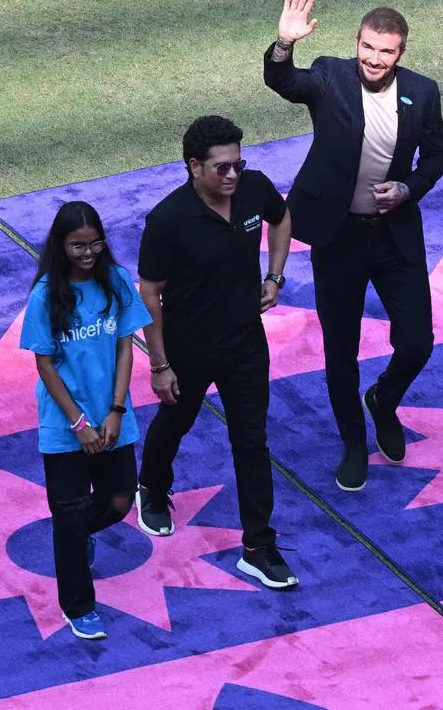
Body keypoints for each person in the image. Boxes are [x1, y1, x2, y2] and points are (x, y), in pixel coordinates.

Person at [263, 0, 443, 492]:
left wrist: (408, 188)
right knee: (340, 348)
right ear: (356, 42)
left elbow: (437, 157)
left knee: (417, 341)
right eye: (368, 47)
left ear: (401, 54)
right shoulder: (329, 75)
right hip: (338, 236)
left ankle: (383, 400)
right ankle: (352, 442)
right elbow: (281, 80)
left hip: (394, 238)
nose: (374, 58)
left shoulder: (423, 92)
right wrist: (284, 44)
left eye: (386, 51)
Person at [136, 115, 298, 589]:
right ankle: (152, 487)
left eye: (237, 164)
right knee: (177, 420)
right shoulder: (167, 221)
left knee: (252, 442)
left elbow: (281, 216)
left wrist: (274, 276)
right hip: (188, 348)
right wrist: (160, 363)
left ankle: (258, 547)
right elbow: (150, 293)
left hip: (247, 343)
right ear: (194, 167)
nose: (232, 175)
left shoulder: (252, 188)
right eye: (222, 167)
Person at [19, 201, 152, 640]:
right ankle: (78, 606)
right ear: (61, 246)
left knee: (117, 503)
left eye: (95, 243)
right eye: (78, 245)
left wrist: (115, 411)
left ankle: (75, 538)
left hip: (114, 418)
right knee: (70, 513)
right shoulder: (45, 295)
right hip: (65, 427)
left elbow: (125, 346)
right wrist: (79, 424)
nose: (89, 252)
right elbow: (45, 366)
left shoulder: (114, 281)